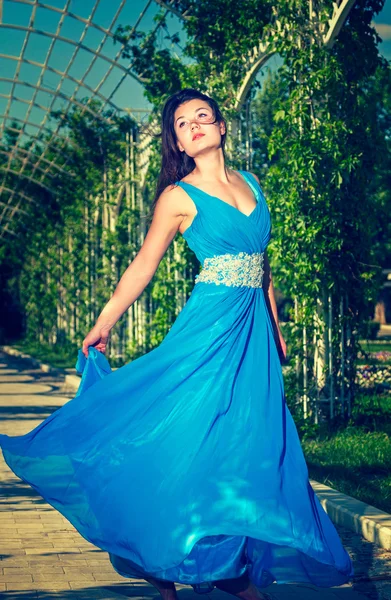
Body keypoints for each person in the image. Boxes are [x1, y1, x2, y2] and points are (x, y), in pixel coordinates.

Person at [0, 88, 353, 600]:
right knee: (190, 429)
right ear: (179, 144)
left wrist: (275, 324)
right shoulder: (177, 197)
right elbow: (144, 265)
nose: (193, 126)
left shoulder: (252, 183)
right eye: (182, 124)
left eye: (202, 117)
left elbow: (263, 265)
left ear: (221, 126)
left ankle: (213, 558)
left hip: (251, 329)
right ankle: (190, 560)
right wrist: (105, 321)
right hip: (210, 326)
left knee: (247, 439)